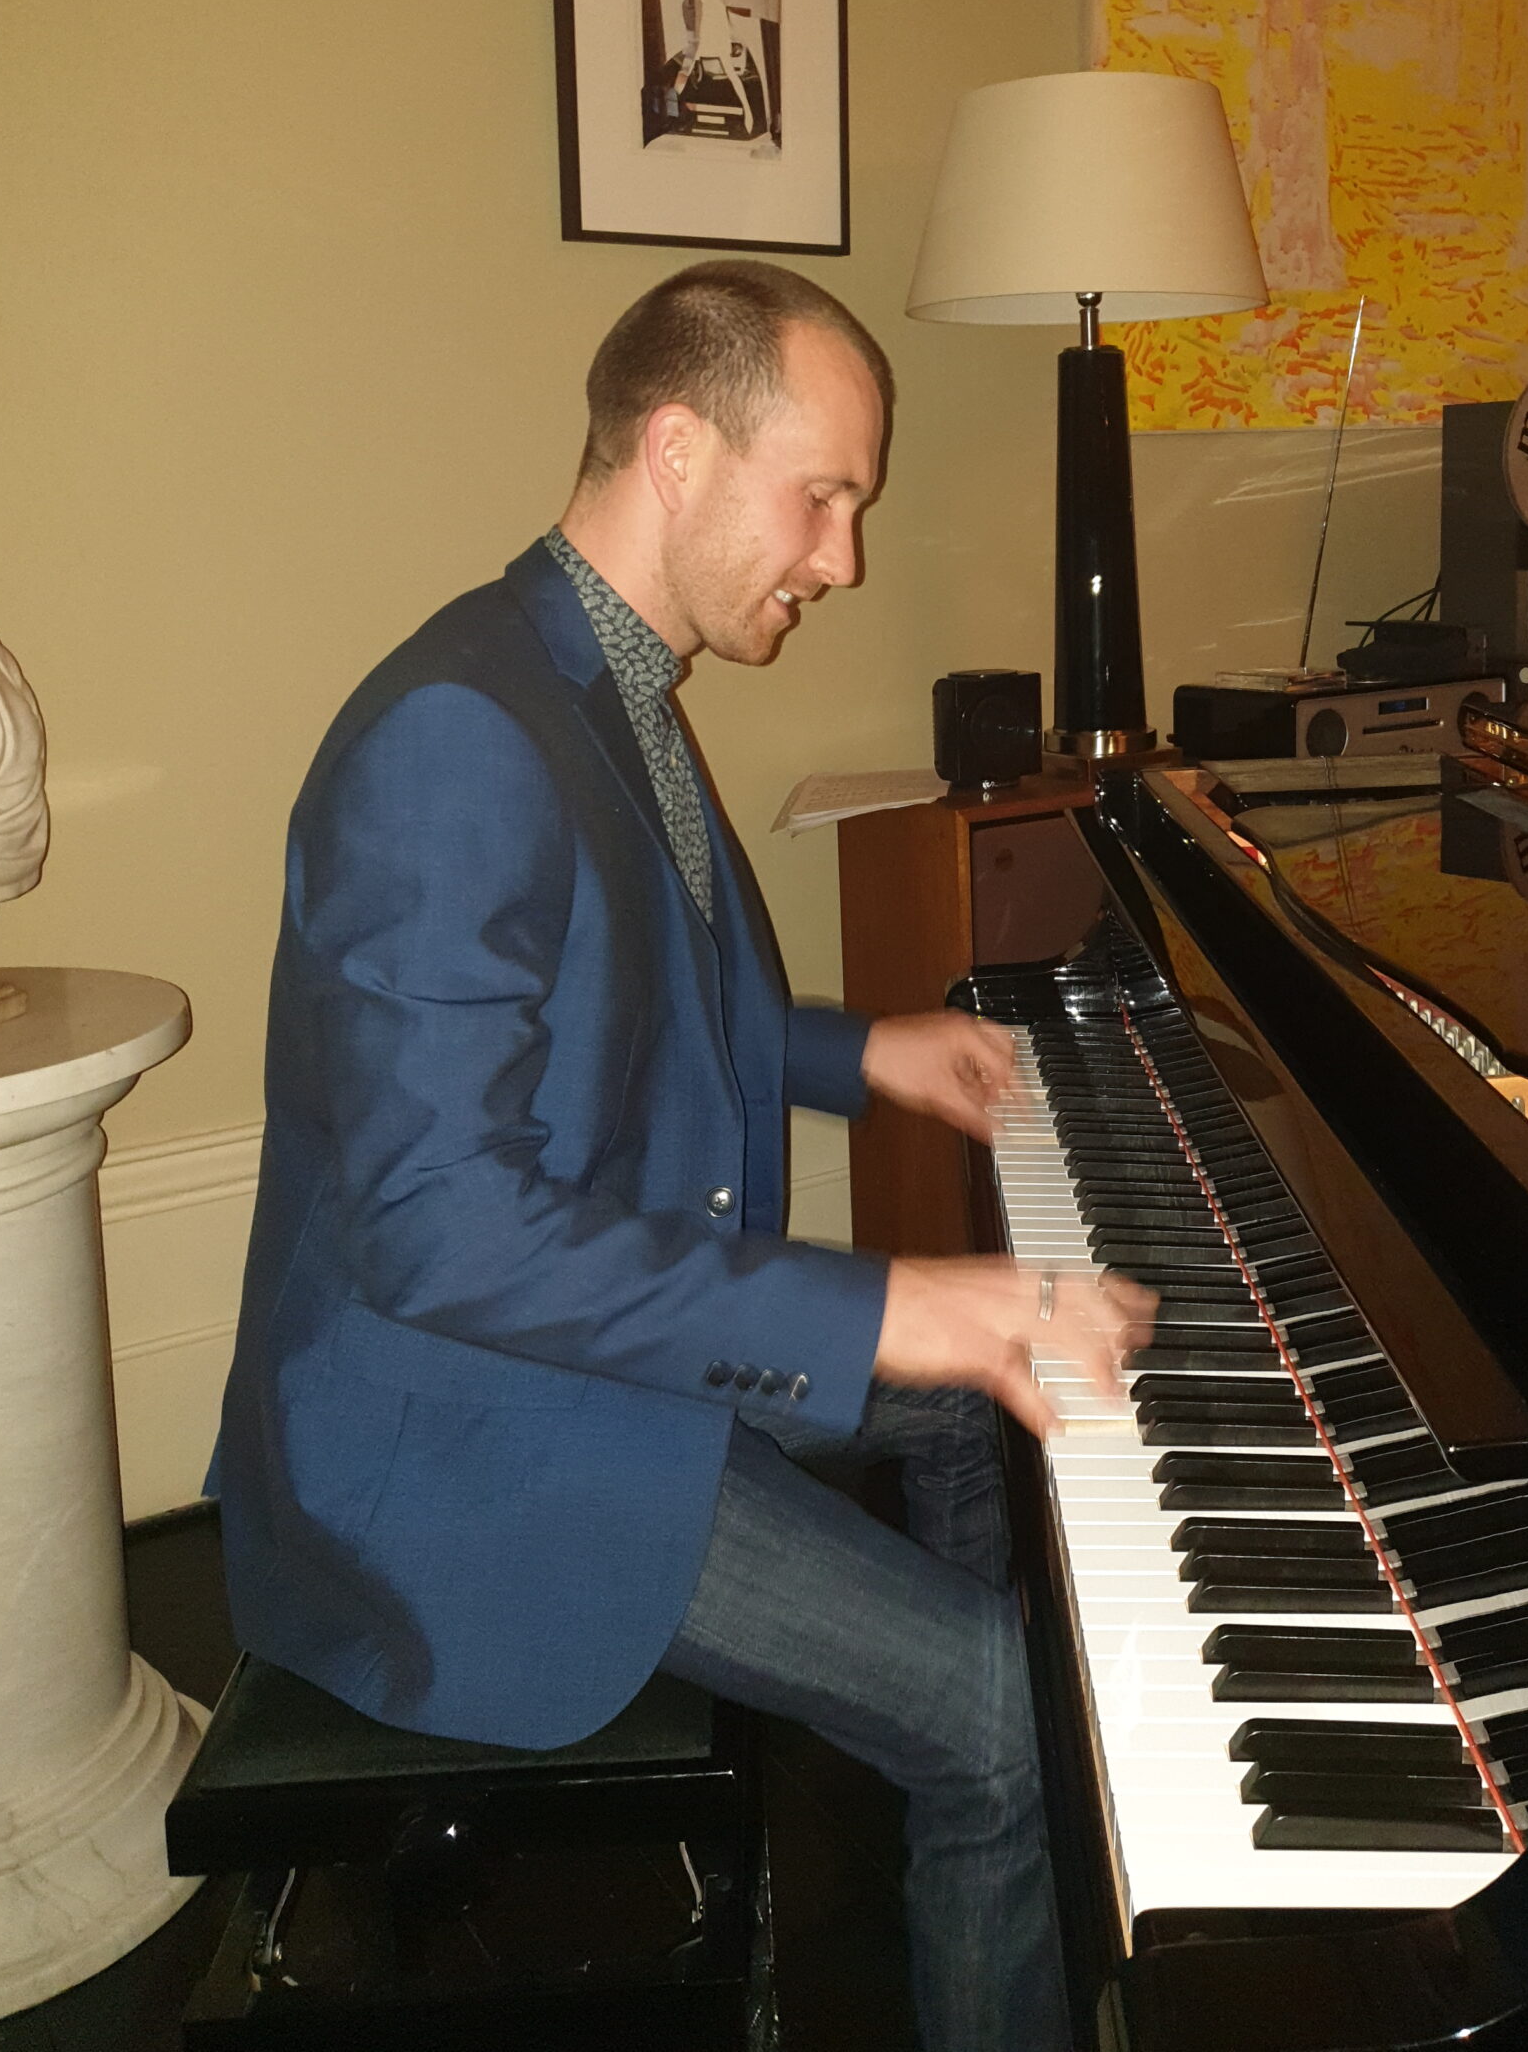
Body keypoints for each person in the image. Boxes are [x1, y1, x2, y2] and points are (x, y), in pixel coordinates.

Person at [210, 257, 1152, 2052]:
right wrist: (890, 1304)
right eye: (827, 495)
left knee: (964, 1415)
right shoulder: (456, 737)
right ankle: (978, 1778)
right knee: (1014, 1716)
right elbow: (439, 1233)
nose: (844, 555)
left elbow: (635, 999)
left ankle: (945, 1814)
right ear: (676, 448)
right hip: (463, 1437)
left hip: (575, 1357)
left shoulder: (598, 676)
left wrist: (860, 1051)